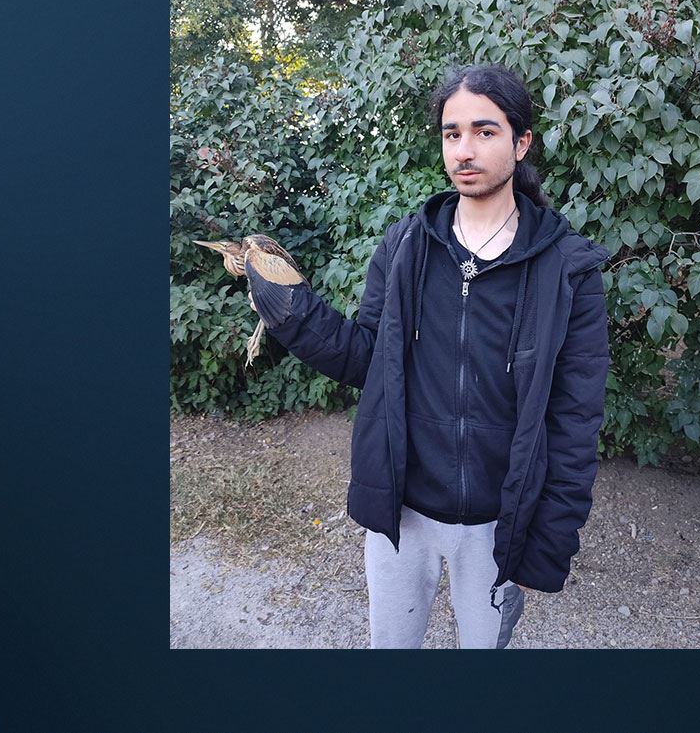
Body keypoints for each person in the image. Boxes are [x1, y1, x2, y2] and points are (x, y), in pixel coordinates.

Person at [246, 63, 610, 648]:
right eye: (451, 133)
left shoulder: (568, 270)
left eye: (485, 132)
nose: (464, 150)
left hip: (498, 526)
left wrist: (546, 544)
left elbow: (575, 420)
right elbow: (369, 358)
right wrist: (293, 316)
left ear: (521, 143)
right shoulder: (406, 246)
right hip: (404, 512)